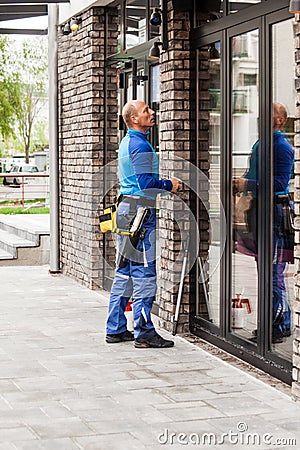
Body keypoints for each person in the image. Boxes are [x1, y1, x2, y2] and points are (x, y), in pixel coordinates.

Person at [106, 100, 182, 348]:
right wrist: (170, 184)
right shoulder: (139, 144)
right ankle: (145, 333)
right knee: (144, 274)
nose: (151, 112)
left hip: (127, 210)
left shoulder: (128, 141)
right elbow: (147, 182)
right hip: (140, 214)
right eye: (145, 111)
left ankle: (115, 328)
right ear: (134, 119)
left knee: (125, 271)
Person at [233, 102, 294, 344]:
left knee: (272, 272)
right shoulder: (262, 144)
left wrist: (246, 185)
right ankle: (279, 322)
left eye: (267, 114)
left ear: (280, 120)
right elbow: (254, 174)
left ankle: (278, 324)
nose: (260, 118)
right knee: (266, 270)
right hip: (260, 213)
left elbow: (278, 184)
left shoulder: (281, 147)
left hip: (274, 215)